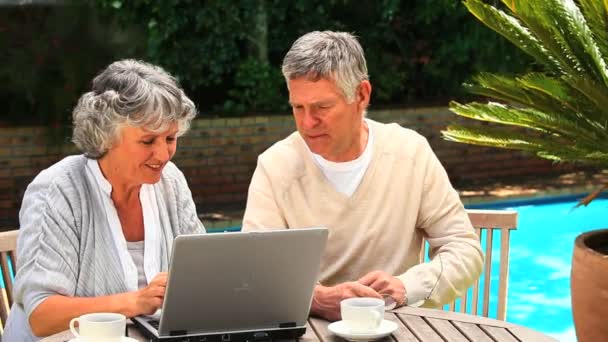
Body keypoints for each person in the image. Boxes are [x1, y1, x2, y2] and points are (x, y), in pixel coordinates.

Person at [242, 31, 483, 321]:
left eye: (322, 107)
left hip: (398, 326)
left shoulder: (410, 153)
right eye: (298, 107)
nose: (307, 123)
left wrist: (407, 286)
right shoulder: (275, 166)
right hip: (310, 330)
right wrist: (316, 299)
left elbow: (465, 250)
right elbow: (254, 273)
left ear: (361, 94)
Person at [3, 59, 205, 340]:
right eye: (148, 141)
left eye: (170, 138)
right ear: (106, 135)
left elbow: (203, 273)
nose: (163, 155)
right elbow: (42, 315)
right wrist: (135, 301)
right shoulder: (58, 190)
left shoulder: (170, 181)